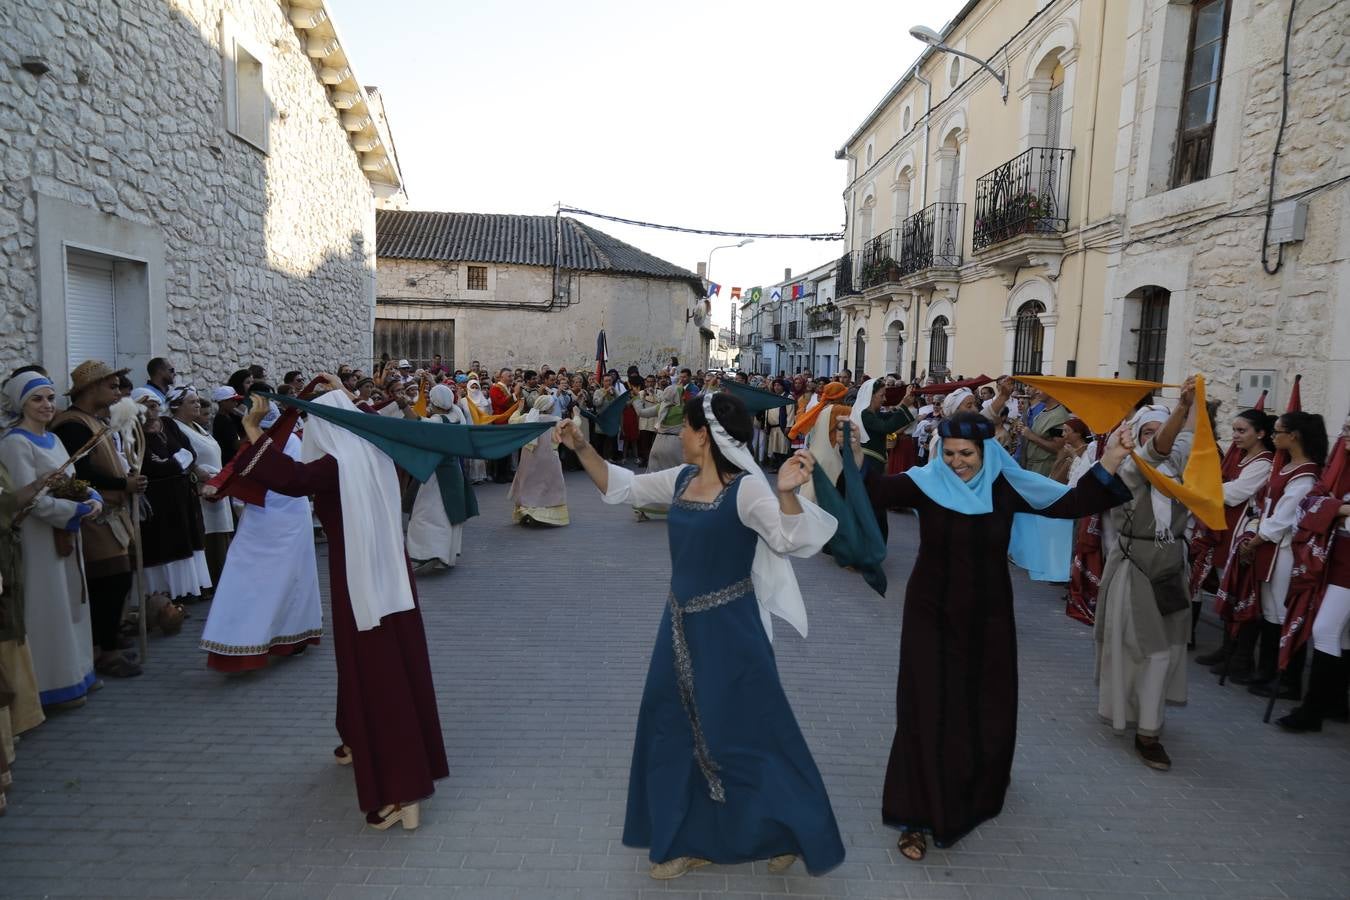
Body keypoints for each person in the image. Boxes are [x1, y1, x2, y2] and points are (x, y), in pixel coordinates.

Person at [556, 392, 846, 880]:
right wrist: (582, 448)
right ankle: (688, 837)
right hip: (677, 627)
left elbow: (789, 539)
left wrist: (789, 492)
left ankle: (791, 829)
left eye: (686, 426)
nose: (681, 434)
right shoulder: (683, 478)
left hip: (732, 633)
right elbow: (624, 487)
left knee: (750, 735)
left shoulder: (748, 490)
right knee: (671, 728)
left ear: (704, 434)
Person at [850, 411, 1134, 860]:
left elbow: (1070, 504)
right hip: (930, 612)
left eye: (967, 454)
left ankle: (976, 781)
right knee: (924, 707)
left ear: (988, 451)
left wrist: (1113, 457)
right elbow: (871, 490)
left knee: (981, 701)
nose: (957, 462)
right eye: (949, 453)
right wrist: (851, 452)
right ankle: (916, 816)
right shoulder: (926, 482)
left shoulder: (1006, 486)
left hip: (988, 614)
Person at [232, 379, 448, 829]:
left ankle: (403, 792)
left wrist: (254, 427)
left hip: (359, 582)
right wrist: (344, 396)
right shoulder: (375, 450)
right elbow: (363, 419)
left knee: (379, 675)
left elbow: (289, 479)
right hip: (393, 573)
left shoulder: (335, 468)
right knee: (373, 665)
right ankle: (353, 736)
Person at [1094, 385, 1199, 771]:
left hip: (1170, 565)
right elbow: (1160, 448)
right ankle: (1148, 734)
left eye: (1161, 429)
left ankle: (1146, 713)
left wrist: (1197, 403)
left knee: (1167, 650)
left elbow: (1187, 438)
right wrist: (1182, 408)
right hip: (1134, 565)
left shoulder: (1181, 467)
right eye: (1147, 432)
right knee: (1148, 650)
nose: (1157, 438)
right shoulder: (1132, 467)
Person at [0, 372, 103, 710]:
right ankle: (50, 685)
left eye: (49, 398)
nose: (46, 405)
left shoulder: (53, 439)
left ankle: (77, 673)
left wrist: (92, 496)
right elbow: (30, 500)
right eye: (37, 399)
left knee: (72, 605)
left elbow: (69, 479)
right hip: (39, 540)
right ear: (21, 404)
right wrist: (77, 509)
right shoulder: (15, 443)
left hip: (65, 533)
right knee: (48, 608)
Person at [199, 401, 322, 671]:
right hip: (258, 517)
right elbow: (237, 464)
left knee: (291, 578)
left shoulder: (292, 442)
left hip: (288, 519)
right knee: (244, 577)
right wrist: (216, 486)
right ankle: (239, 642)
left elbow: (285, 473)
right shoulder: (261, 442)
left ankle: (292, 636)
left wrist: (219, 485)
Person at [51, 361, 153, 674]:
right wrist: (123, 483)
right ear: (91, 388)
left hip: (111, 515)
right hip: (95, 519)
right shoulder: (72, 425)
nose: (116, 392)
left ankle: (106, 645)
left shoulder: (93, 421)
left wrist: (128, 476)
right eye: (111, 386)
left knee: (116, 582)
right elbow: (80, 472)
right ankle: (102, 651)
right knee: (108, 583)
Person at [1235, 411, 1328, 699]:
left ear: (1294, 436)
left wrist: (1258, 538)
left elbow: (1288, 515)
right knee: (1271, 612)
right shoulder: (1286, 466)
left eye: (1278, 432)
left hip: (1284, 549)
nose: (1274, 436)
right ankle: (1268, 671)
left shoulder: (1306, 474)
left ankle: (1288, 680)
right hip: (1268, 546)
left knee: (1283, 611)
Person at [1276, 415, 1350, 732]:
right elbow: (1314, 501)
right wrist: (1335, 507)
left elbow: (1327, 505)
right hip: (1338, 554)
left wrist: (1334, 508)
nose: (1344, 433)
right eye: (1345, 426)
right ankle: (1335, 702)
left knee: (1325, 630)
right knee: (1341, 634)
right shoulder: (1341, 464)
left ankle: (1313, 710)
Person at [1192, 410, 1275, 670]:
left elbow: (1235, 493)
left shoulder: (1263, 462)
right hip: (1224, 529)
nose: (1236, 436)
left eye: (1242, 431)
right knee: (1226, 590)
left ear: (1260, 433)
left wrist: (1202, 488)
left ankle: (1240, 656)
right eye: (1235, 430)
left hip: (1241, 532)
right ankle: (1227, 648)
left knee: (1239, 591)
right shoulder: (1238, 457)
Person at [132, 390, 212, 605]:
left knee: (185, 538)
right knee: (162, 544)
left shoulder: (168, 424)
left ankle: (186, 590)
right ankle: (162, 595)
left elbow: (190, 453)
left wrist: (176, 461)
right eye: (148, 406)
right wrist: (177, 461)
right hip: (158, 498)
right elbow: (151, 465)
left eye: (156, 405)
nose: (154, 410)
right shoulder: (134, 432)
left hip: (182, 495)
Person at [171, 388, 234, 589]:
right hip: (201, 488)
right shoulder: (176, 428)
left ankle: (220, 578)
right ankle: (207, 582)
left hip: (216, 484)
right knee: (207, 533)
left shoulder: (198, 427)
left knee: (219, 533)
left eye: (198, 401)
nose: (198, 405)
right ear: (177, 406)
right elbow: (181, 456)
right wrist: (199, 471)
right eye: (192, 402)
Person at [407, 384, 472, 572]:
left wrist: (403, 406)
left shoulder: (438, 420)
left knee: (427, 514)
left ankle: (430, 553)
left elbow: (417, 422)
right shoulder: (457, 414)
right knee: (449, 514)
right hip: (454, 470)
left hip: (437, 474)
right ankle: (446, 554)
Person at [507, 394, 569, 526]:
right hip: (549, 457)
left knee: (529, 483)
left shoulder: (528, 418)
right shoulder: (556, 419)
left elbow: (511, 421)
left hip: (529, 456)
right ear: (549, 407)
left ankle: (526, 511)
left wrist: (519, 409)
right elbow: (573, 427)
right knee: (548, 484)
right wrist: (576, 415)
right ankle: (545, 515)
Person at [211, 386, 245, 464]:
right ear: (223, 402)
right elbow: (237, 446)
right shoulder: (222, 421)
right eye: (233, 401)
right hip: (228, 462)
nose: (236, 404)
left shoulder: (230, 416)